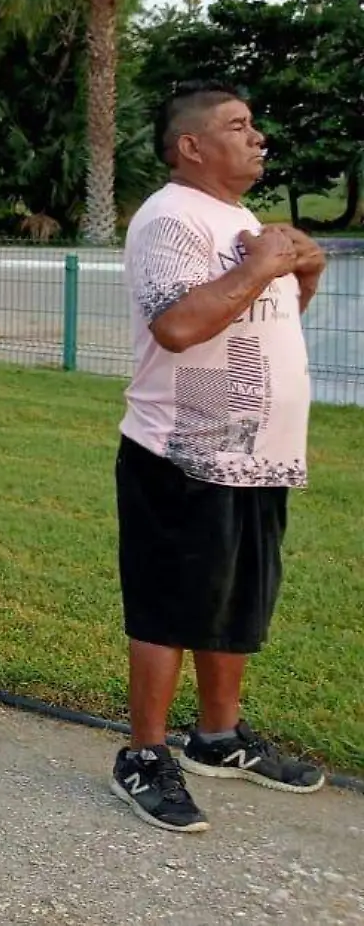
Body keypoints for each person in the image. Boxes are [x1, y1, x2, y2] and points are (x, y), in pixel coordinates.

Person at [109, 81, 328, 834]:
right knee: (171, 605)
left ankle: (218, 738)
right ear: (191, 146)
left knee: (233, 597)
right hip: (183, 450)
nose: (257, 135)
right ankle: (142, 755)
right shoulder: (169, 218)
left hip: (258, 455)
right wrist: (264, 263)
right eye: (239, 125)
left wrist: (304, 274)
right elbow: (177, 326)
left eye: (256, 123)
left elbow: (256, 325)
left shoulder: (236, 219)